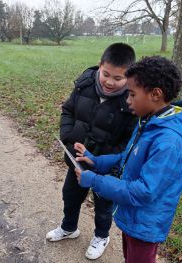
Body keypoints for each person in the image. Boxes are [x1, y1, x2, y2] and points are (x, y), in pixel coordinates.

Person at [74, 56, 182, 263]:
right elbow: (129, 156)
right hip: (132, 216)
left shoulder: (168, 142)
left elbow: (144, 191)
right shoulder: (149, 122)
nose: (127, 100)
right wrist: (95, 161)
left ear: (155, 94)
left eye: (131, 94)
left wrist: (94, 180)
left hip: (145, 225)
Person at [46, 43, 137, 260]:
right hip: (77, 160)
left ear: (129, 77)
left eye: (118, 78)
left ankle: (101, 236)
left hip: (105, 168)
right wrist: (68, 135)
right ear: (99, 67)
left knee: (103, 206)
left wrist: (101, 159)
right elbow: (68, 110)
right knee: (70, 195)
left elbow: (128, 142)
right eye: (106, 74)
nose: (110, 82)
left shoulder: (132, 102)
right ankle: (69, 227)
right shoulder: (84, 85)